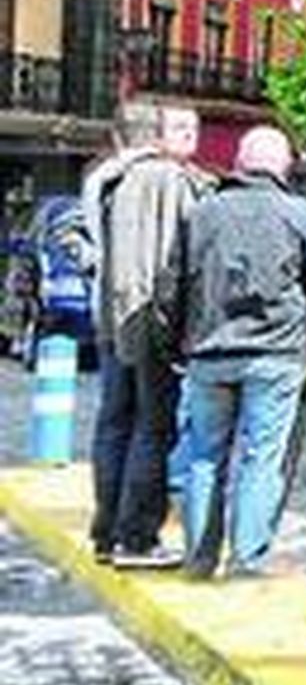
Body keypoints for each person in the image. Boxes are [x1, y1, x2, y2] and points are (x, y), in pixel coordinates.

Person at [172, 127, 306, 579]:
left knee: (203, 456)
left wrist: (178, 340)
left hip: (209, 352)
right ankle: (246, 559)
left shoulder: (202, 214)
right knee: (262, 457)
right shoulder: (301, 214)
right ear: (283, 167)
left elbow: (169, 285)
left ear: (239, 163)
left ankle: (198, 558)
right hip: (275, 354)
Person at [87, 103, 202, 569]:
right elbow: (182, 257)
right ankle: (136, 536)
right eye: (179, 128)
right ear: (155, 135)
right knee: (153, 427)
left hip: (111, 319)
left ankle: (107, 529)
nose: (189, 136)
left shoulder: (105, 180)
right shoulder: (165, 180)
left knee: (114, 422)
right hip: (147, 319)